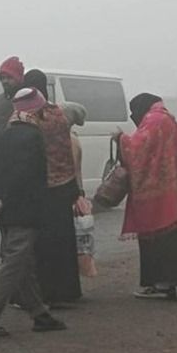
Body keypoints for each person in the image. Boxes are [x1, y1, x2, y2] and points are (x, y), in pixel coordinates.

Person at [0, 88, 67, 336]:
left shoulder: (5, 134)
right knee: (14, 263)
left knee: (21, 264)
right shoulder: (33, 137)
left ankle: (39, 314)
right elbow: (27, 178)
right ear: (36, 110)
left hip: (5, 210)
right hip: (24, 209)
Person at [118, 93, 177, 299]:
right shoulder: (166, 118)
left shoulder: (154, 120)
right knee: (174, 237)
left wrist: (120, 139)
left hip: (158, 194)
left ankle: (161, 283)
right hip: (174, 191)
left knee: (158, 236)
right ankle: (169, 282)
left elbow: (137, 147)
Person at [24, 69, 82, 304]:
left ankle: (46, 293)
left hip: (42, 187)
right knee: (64, 241)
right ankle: (68, 291)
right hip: (64, 184)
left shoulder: (32, 117)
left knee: (44, 244)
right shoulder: (58, 114)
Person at [63, 102, 97, 277]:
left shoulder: (68, 139)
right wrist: (80, 193)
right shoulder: (72, 139)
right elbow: (77, 171)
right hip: (70, 192)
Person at [0, 56, 25, 139]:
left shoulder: (27, 101)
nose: (5, 81)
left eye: (9, 77)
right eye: (2, 78)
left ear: (18, 78)